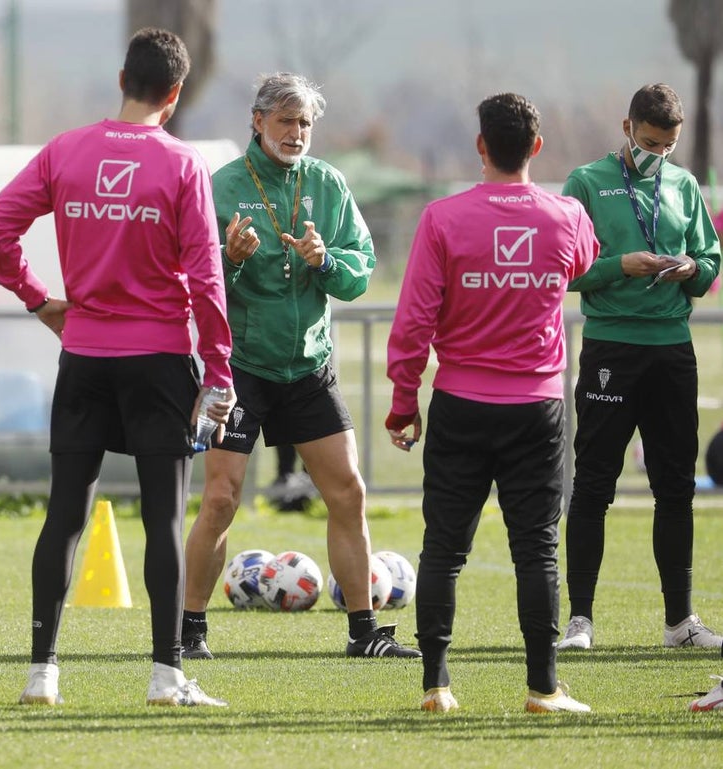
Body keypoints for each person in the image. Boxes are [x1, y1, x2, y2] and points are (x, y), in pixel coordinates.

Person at [0, 27, 235, 707]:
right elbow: (207, 280)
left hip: (84, 357)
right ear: (174, 95)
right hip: (158, 361)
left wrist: (40, 299)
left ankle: (41, 673)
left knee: (65, 514)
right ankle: (166, 675)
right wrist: (220, 371)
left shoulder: (67, 149)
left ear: (122, 77)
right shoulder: (181, 166)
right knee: (164, 520)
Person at [180, 72, 419, 661]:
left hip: (309, 367)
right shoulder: (222, 186)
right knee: (220, 500)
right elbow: (191, 281)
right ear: (258, 122)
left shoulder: (330, 184)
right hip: (241, 369)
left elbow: (360, 272)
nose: (296, 132)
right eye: (285, 121)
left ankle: (364, 635)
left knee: (348, 491)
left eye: (305, 123)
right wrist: (228, 261)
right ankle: (187, 635)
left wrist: (326, 260)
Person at [385, 93, 599, 713]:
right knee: (535, 548)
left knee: (443, 548)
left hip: (458, 401)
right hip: (537, 408)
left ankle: (437, 685)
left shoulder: (442, 218)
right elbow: (582, 264)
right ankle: (543, 687)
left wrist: (404, 403)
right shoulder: (566, 216)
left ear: (480, 145)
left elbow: (413, 322)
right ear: (536, 147)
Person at [558, 83, 723, 652]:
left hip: (672, 348)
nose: (661, 154)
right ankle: (580, 621)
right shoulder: (586, 182)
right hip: (611, 347)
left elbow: (710, 261)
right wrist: (618, 266)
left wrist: (690, 270)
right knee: (595, 484)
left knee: (675, 488)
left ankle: (680, 623)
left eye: (670, 145)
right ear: (627, 128)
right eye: (651, 142)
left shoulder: (684, 185)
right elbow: (566, 272)